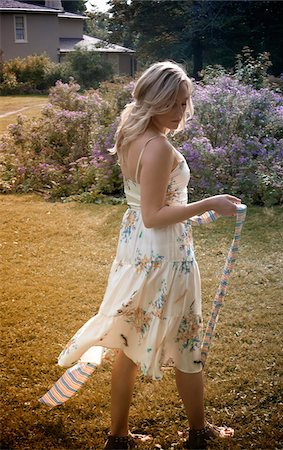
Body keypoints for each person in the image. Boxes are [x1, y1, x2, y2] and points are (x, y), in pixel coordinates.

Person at [55, 61, 240, 450]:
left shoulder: (132, 134)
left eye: (184, 102)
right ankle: (198, 431)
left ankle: (118, 438)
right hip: (165, 257)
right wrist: (209, 203)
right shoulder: (158, 146)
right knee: (187, 342)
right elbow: (155, 216)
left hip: (140, 251)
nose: (180, 112)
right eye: (173, 103)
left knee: (128, 341)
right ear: (154, 101)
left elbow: (148, 207)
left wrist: (195, 211)